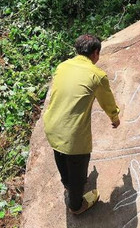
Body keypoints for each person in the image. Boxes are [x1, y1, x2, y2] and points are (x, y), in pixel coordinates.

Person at [43, 34, 121, 215]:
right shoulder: (97, 75)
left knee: (60, 154)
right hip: (74, 137)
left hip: (52, 126)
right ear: (96, 53)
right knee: (78, 170)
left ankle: (67, 183)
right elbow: (107, 102)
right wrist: (115, 118)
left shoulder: (62, 66)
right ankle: (76, 205)